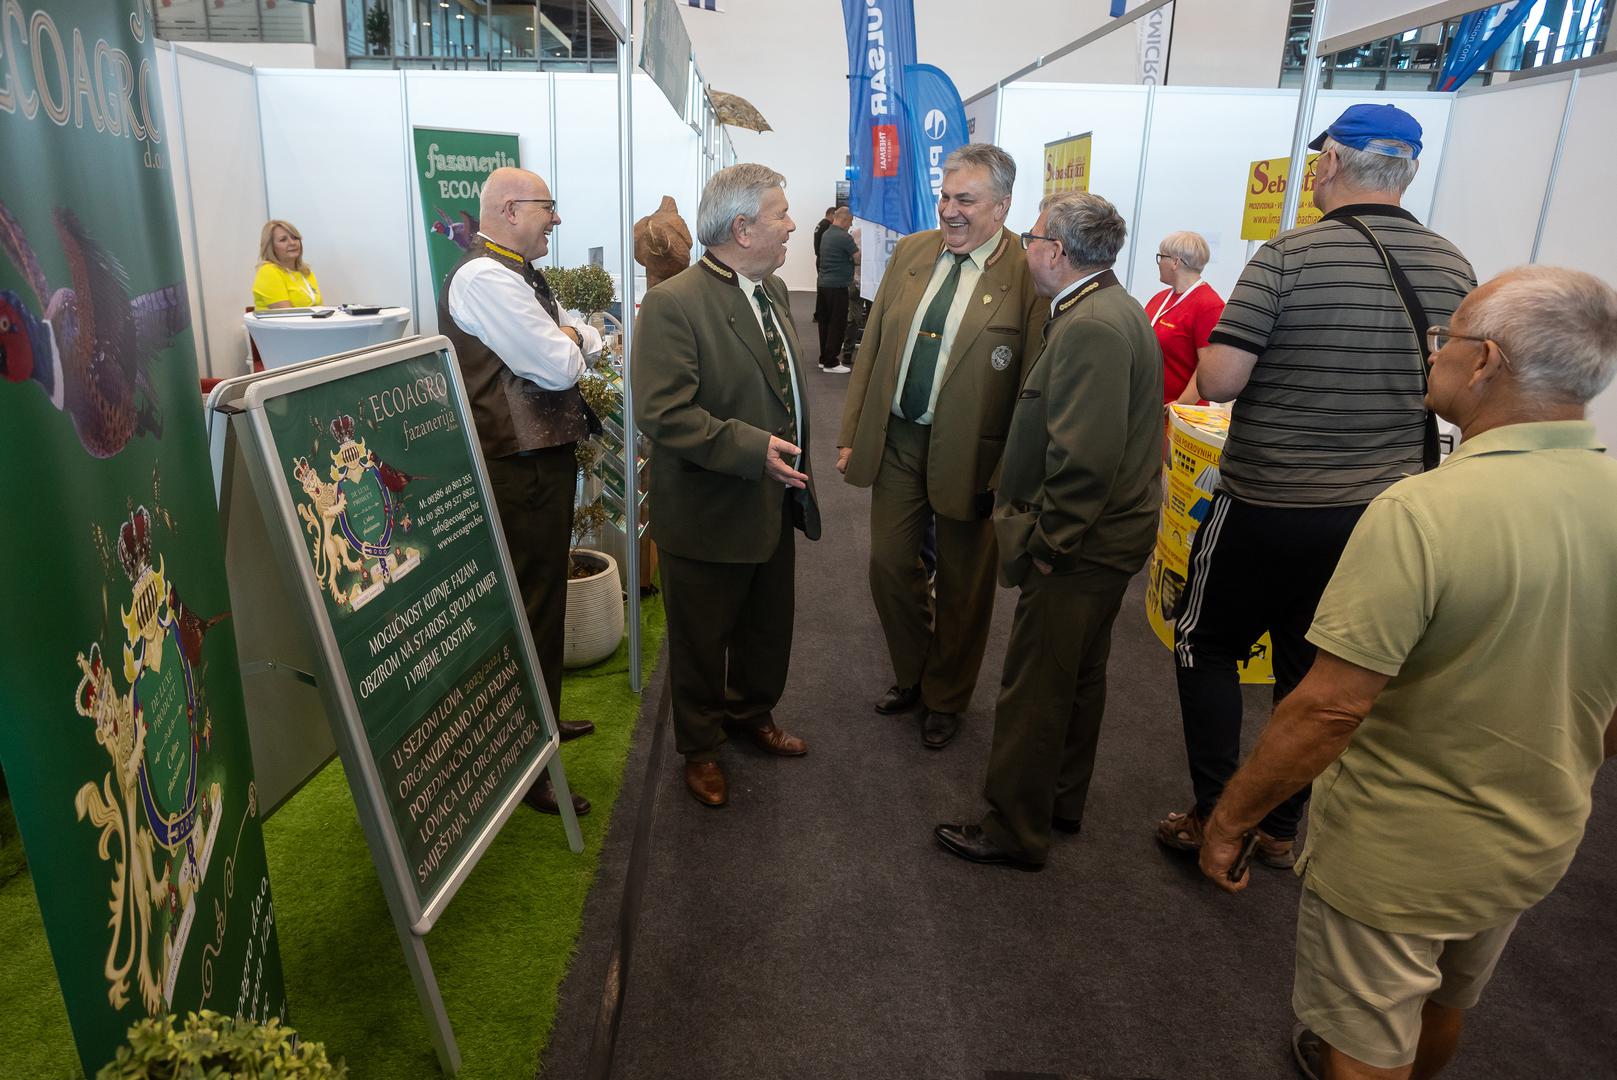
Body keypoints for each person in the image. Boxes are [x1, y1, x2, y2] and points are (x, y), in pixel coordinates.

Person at [1199, 265, 1617, 1080]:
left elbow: (1327, 709)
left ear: (1485, 361)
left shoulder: (1419, 511)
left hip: (1399, 852)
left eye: (1443, 340)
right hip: (1536, 833)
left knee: (1362, 1043)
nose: (1432, 356)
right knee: (1443, 1006)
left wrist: (1229, 818)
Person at [1155, 104, 1476, 865]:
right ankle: (1277, 826)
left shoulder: (1287, 254)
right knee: (1316, 666)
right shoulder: (1452, 265)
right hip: (1380, 512)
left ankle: (1216, 814)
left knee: (1204, 644)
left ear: (1329, 163)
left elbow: (1222, 380)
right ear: (1410, 171)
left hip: (1268, 497)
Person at [934, 192, 1163, 871]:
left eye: (1031, 235)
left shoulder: (1090, 324)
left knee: (1035, 687)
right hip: (1107, 540)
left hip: (1080, 548)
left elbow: (1083, 459)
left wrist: (1049, 546)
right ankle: (1057, 800)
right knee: (1076, 676)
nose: (1024, 244)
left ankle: (1012, 828)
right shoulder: (1106, 309)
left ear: (1056, 252)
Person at [836, 143, 1045, 750]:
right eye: (945, 197)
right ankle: (915, 673)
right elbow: (872, 347)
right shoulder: (912, 251)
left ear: (1003, 206)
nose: (949, 212)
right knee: (889, 566)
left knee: (964, 584)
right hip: (900, 438)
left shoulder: (1027, 275)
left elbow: (1032, 380)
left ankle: (946, 696)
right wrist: (852, 432)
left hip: (975, 455)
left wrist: (1012, 469)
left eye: (966, 201)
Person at [633, 163, 820, 808]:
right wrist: (751, 448)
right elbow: (663, 412)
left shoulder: (767, 293)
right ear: (742, 227)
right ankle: (701, 747)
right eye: (781, 213)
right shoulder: (674, 303)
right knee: (702, 639)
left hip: (771, 498)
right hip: (711, 507)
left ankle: (751, 714)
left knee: (769, 625)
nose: (792, 223)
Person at [440, 166, 600, 817]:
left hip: (538, 461)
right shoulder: (484, 278)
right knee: (530, 606)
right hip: (518, 467)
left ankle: (543, 725)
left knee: (543, 599)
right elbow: (563, 360)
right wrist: (570, 339)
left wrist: (570, 337)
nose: (555, 219)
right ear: (510, 209)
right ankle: (527, 757)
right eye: (547, 207)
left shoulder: (513, 275)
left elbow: (586, 336)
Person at [1144, 230, 1224, 404]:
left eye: (1161, 257)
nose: (1158, 263)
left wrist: (1181, 404)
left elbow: (1208, 366)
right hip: (1150, 408)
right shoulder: (1159, 299)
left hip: (1178, 414)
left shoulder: (1209, 305)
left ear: (1175, 262)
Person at [816, 207, 858, 374]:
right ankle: (831, 362)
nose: (851, 224)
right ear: (845, 219)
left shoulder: (827, 233)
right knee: (837, 324)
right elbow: (858, 257)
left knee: (825, 323)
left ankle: (823, 358)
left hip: (823, 284)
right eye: (850, 221)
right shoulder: (844, 237)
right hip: (838, 286)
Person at [252, 220, 322, 310]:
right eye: (283, 240)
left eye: (295, 238)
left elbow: (320, 309)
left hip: (310, 323)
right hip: (287, 323)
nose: (292, 243)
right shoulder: (268, 272)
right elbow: (287, 316)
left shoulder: (306, 272)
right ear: (271, 247)